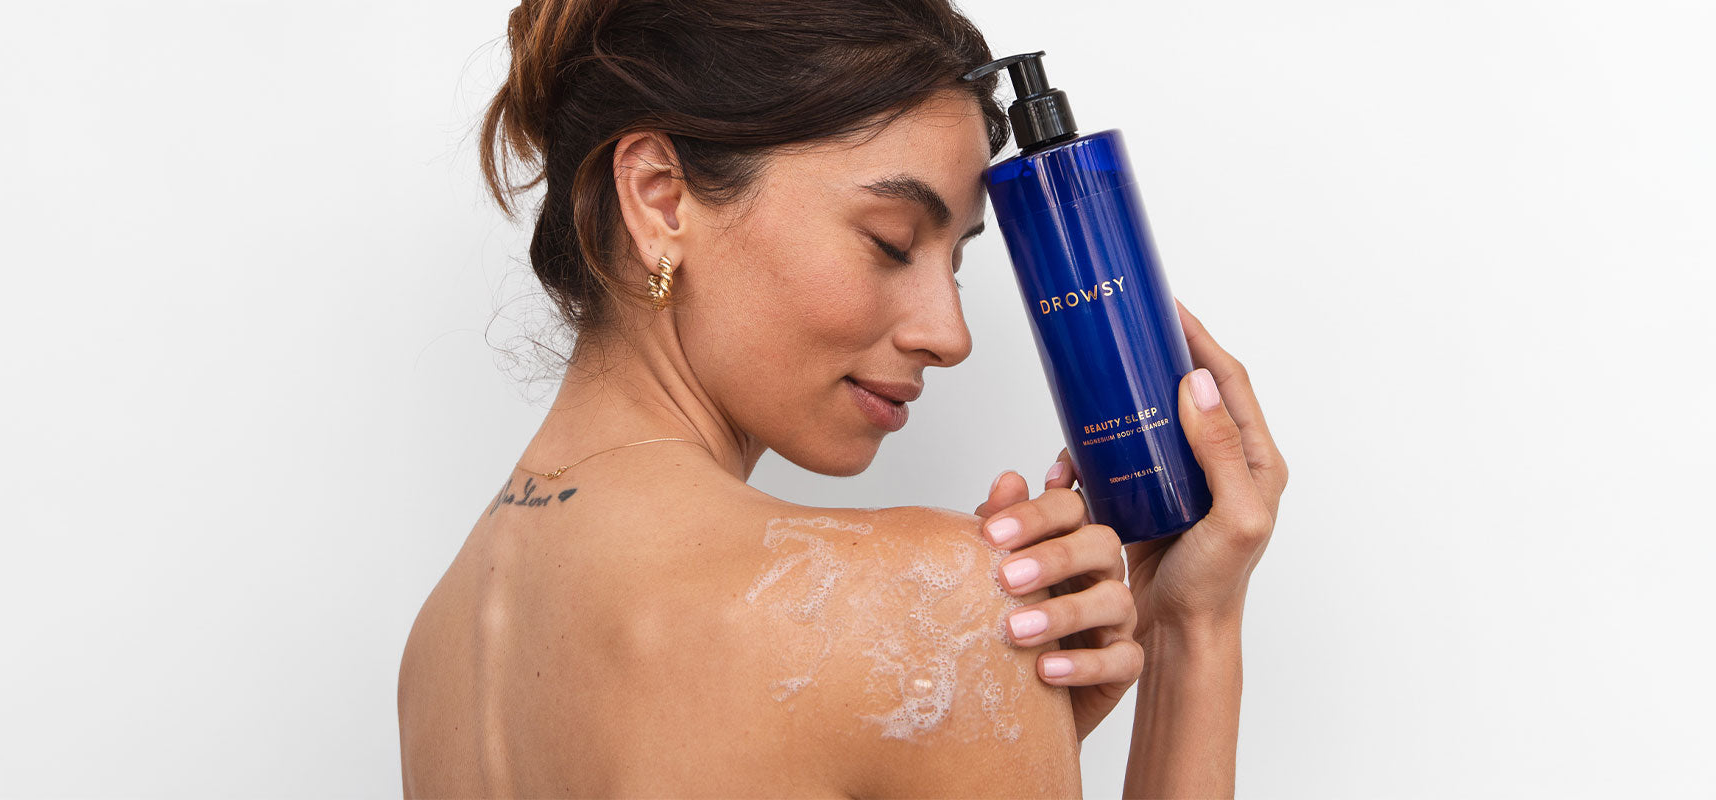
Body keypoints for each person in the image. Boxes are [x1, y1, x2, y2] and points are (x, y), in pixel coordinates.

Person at [396, 0, 1290, 796]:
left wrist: (1002, 734)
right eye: (893, 241)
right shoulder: (920, 605)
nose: (952, 333)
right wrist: (1193, 640)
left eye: (960, 260)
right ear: (661, 198)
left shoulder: (445, 644)